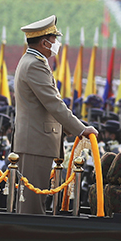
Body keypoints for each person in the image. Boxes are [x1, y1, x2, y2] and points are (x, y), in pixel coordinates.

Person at [13, 15, 96, 214]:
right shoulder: (35, 64)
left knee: (33, 202)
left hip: (34, 141)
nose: (56, 44)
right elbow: (54, 104)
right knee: (32, 207)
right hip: (36, 142)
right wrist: (81, 129)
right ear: (44, 42)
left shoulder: (31, 60)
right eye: (53, 40)